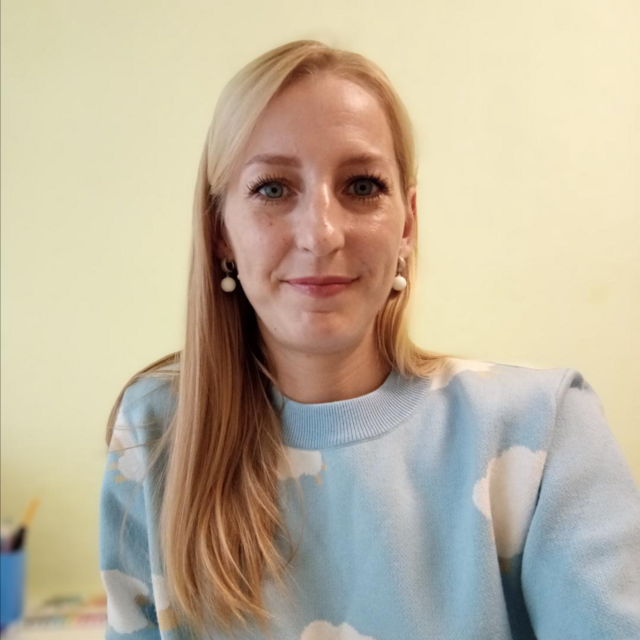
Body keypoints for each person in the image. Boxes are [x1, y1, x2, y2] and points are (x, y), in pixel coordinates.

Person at [99, 40, 640, 640]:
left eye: (361, 186)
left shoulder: (543, 429)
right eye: (273, 188)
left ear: (407, 223)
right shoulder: (155, 436)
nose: (321, 233)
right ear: (219, 230)